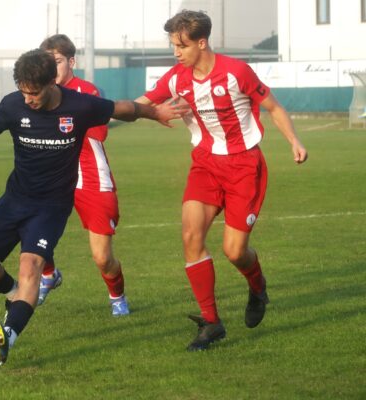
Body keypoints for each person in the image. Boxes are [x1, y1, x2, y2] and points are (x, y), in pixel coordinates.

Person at [0, 49, 188, 365]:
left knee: (32, 268)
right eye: (24, 92)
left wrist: (157, 112)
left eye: (34, 93)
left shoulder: (80, 106)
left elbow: (124, 108)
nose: (28, 99)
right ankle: (14, 294)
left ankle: (8, 336)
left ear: (51, 82)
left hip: (51, 207)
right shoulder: (13, 104)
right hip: (14, 200)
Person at [136, 10, 308, 351]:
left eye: (181, 46)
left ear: (202, 42)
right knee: (190, 234)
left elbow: (272, 107)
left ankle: (257, 286)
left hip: (244, 166)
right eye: (173, 45)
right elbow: (141, 103)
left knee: (234, 251)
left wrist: (294, 141)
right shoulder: (176, 77)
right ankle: (212, 323)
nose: (176, 53)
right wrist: (100, 111)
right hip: (204, 165)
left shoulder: (236, 72)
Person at [38, 34, 128, 316]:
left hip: (91, 178)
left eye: (58, 62)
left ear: (72, 61)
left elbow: (99, 132)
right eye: (48, 64)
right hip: (53, 179)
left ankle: (117, 296)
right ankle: (49, 275)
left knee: (102, 257)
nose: (53, 70)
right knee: (32, 231)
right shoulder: (39, 93)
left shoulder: (86, 92)